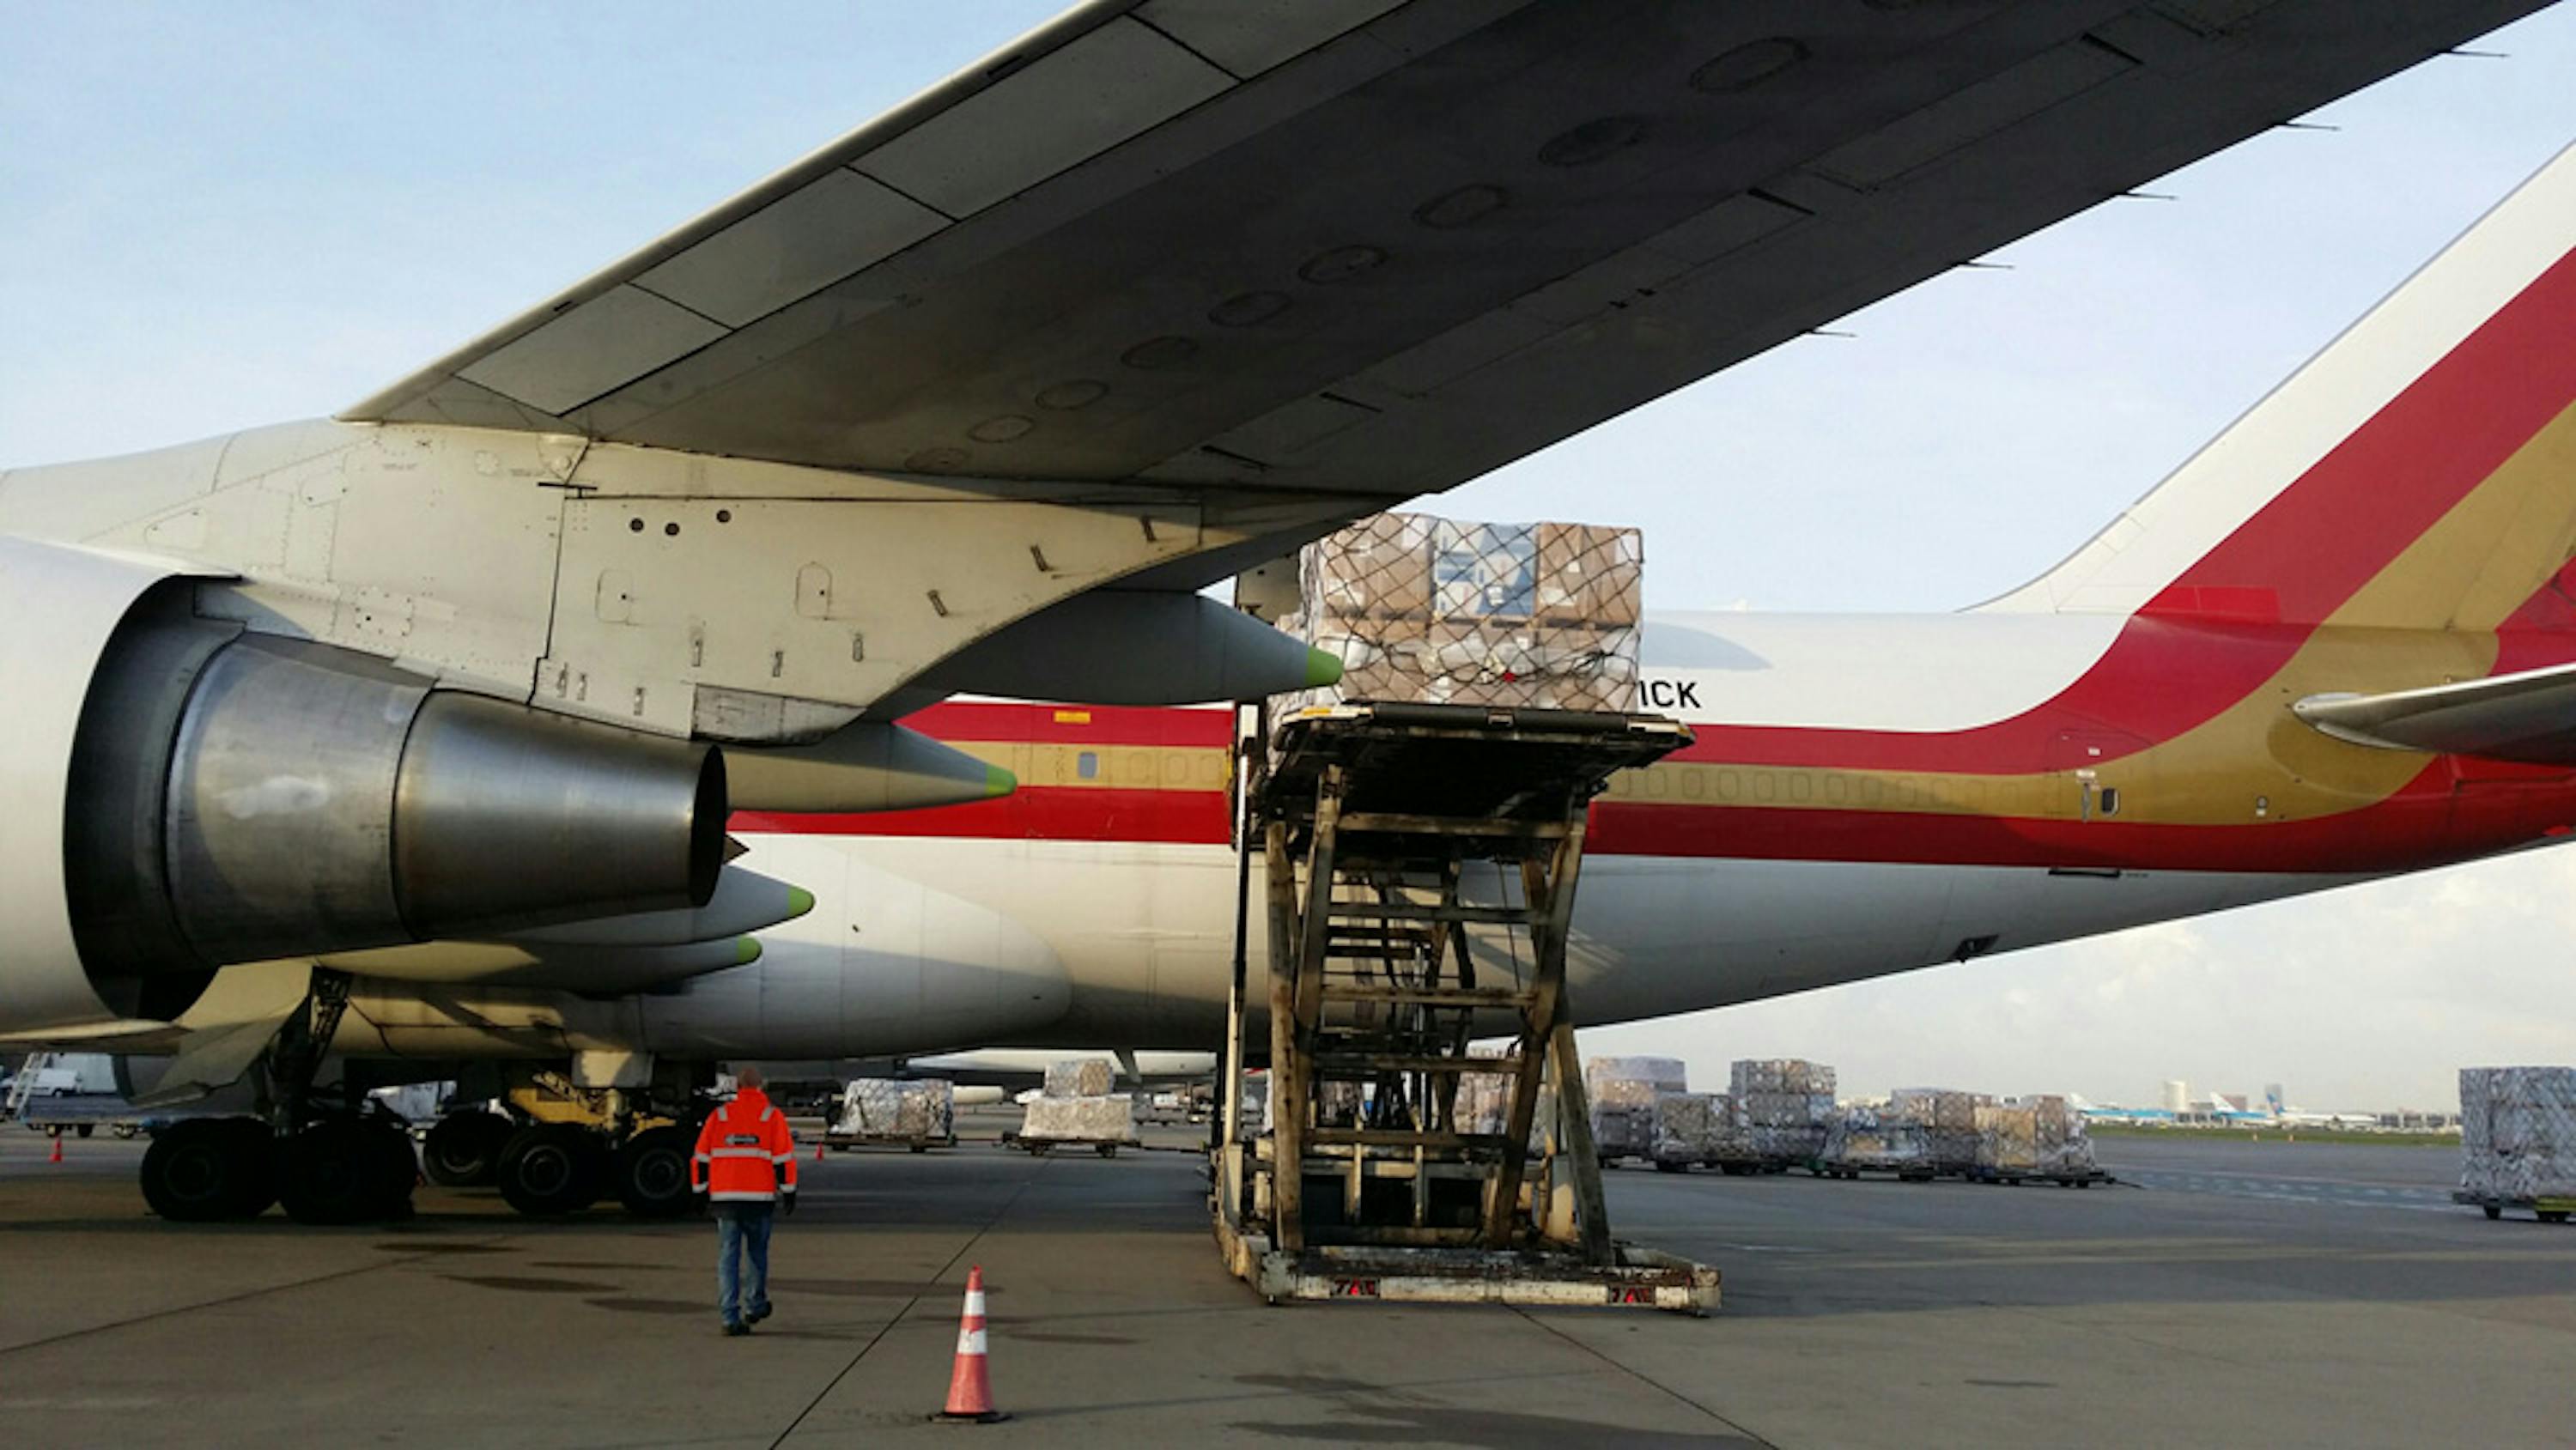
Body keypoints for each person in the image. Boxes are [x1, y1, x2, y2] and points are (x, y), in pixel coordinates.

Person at [690, 1064, 798, 1336]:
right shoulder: (771, 1116)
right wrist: (789, 1191)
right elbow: (784, 1159)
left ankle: (729, 1317)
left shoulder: (720, 1115)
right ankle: (755, 1304)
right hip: (759, 1199)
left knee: (727, 1257)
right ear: (761, 1088)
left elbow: (700, 1158)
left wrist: (700, 1191)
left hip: (725, 1198)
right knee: (757, 1254)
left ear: (737, 1088)